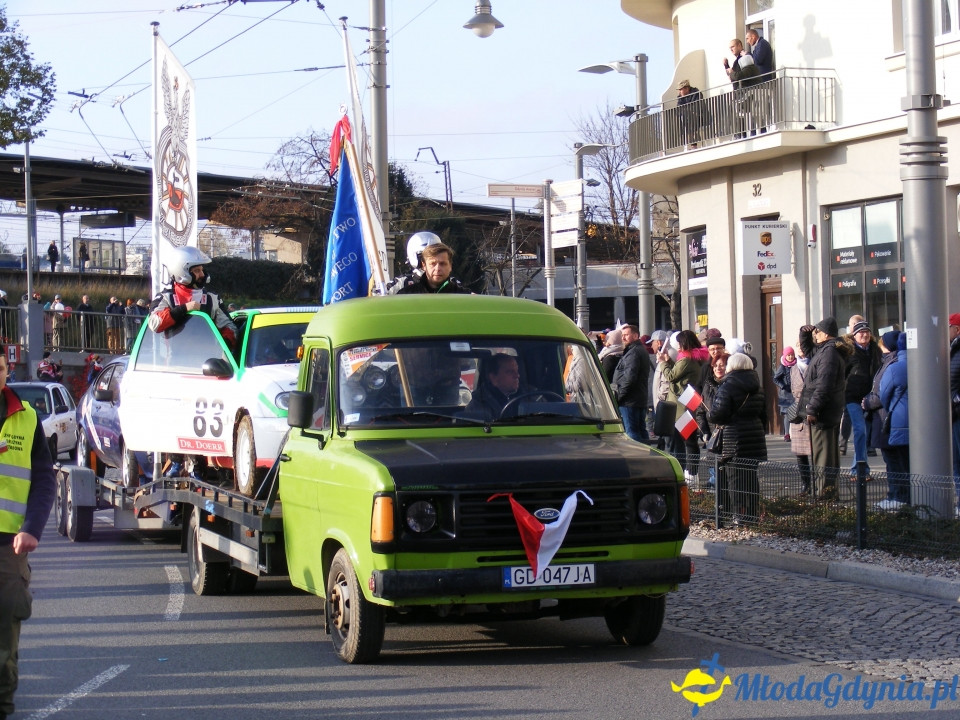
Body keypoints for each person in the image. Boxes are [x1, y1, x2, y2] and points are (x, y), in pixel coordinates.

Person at [0, 352, 57, 720]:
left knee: (5, 632)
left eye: (0, 369)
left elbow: (44, 480)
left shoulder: (27, 419)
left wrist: (32, 529)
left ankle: (2, 705)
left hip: (9, 545)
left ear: (6, 371)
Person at [708, 352, 767, 523]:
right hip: (754, 438)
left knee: (735, 479)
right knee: (751, 477)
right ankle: (752, 514)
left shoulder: (727, 386)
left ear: (731, 366)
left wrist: (713, 414)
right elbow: (764, 415)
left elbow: (717, 415)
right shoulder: (759, 387)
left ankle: (739, 515)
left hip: (734, 438)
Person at [798, 317, 851, 500]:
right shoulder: (826, 350)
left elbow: (824, 385)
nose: (815, 335)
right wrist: (804, 333)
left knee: (823, 458)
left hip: (823, 413)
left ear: (826, 334)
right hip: (827, 411)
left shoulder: (829, 354)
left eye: (817, 332)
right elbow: (808, 351)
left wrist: (812, 408)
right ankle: (826, 494)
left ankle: (825, 497)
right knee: (826, 456)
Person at [149, 246, 237, 348]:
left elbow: (230, 328)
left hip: (207, 360)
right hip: (175, 362)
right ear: (181, 272)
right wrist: (184, 308)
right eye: (197, 271)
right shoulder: (165, 297)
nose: (202, 274)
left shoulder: (212, 298)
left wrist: (222, 346)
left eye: (202, 270)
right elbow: (154, 323)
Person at [658, 329, 710, 484]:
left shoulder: (686, 359)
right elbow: (680, 373)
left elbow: (671, 376)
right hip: (689, 400)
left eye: (679, 343)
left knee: (685, 440)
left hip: (681, 405)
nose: (678, 346)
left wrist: (662, 362)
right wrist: (669, 362)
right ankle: (692, 472)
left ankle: (689, 473)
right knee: (690, 440)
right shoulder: (695, 358)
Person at [863, 330, 905, 509]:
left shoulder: (892, 365)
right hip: (888, 418)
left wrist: (867, 402)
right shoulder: (890, 362)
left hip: (888, 418)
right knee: (895, 461)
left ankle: (897, 497)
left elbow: (883, 394)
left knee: (894, 462)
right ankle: (897, 495)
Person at [843, 320, 881, 479]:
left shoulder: (875, 350)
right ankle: (858, 470)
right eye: (861, 332)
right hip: (852, 397)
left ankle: (860, 467)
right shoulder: (848, 351)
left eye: (867, 331)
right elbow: (842, 375)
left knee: (866, 434)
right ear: (854, 335)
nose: (864, 334)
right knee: (860, 431)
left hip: (871, 398)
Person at [877, 332, 910, 509]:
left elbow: (884, 395)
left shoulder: (894, 367)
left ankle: (900, 499)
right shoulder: (926, 363)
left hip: (899, 423)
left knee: (898, 464)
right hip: (925, 426)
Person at [385, 233, 468, 295]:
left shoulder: (455, 286)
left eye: (442, 263)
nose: (437, 268)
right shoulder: (403, 284)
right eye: (432, 263)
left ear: (450, 266)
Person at [611, 324, 650, 443]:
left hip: (629, 400)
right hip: (637, 398)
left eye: (626, 335)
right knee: (641, 430)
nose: (623, 338)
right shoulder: (636, 350)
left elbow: (629, 378)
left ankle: (638, 459)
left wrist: (619, 396)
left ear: (635, 335)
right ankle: (646, 457)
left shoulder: (633, 352)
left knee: (632, 432)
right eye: (622, 335)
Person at [723, 38, 761, 138]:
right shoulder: (738, 60)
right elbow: (733, 75)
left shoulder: (745, 58)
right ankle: (740, 134)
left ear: (740, 45)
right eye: (730, 48)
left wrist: (732, 73)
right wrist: (726, 66)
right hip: (740, 92)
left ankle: (742, 135)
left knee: (743, 112)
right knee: (738, 113)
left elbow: (739, 75)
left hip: (746, 92)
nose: (731, 49)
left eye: (733, 47)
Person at [465, 353, 520, 420]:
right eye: (510, 372)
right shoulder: (477, 407)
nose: (517, 375)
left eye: (517, 370)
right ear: (493, 378)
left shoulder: (529, 396)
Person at [789, 345, 813, 495]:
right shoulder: (793, 368)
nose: (801, 348)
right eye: (798, 346)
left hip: (813, 411)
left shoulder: (815, 363)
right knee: (800, 453)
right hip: (798, 413)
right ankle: (806, 483)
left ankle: (819, 484)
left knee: (816, 452)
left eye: (803, 345)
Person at [773, 346, 796, 441]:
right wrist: (783, 386)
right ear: (785, 356)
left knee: (796, 413)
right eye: (788, 355)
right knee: (787, 414)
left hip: (795, 393)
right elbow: (775, 378)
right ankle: (787, 434)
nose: (790, 357)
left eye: (792, 355)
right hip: (786, 395)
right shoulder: (782, 367)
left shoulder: (796, 365)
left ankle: (795, 433)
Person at [676, 79, 704, 149]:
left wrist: (689, 111)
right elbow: (679, 109)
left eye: (680, 89)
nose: (679, 91)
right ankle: (692, 142)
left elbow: (698, 106)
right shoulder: (680, 97)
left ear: (686, 88)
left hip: (700, 116)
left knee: (690, 119)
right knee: (684, 119)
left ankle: (693, 144)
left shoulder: (696, 93)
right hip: (687, 119)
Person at [951, 314, 960, 518]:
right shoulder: (952, 348)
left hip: (957, 410)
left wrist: (955, 399)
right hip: (952, 413)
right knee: (955, 461)